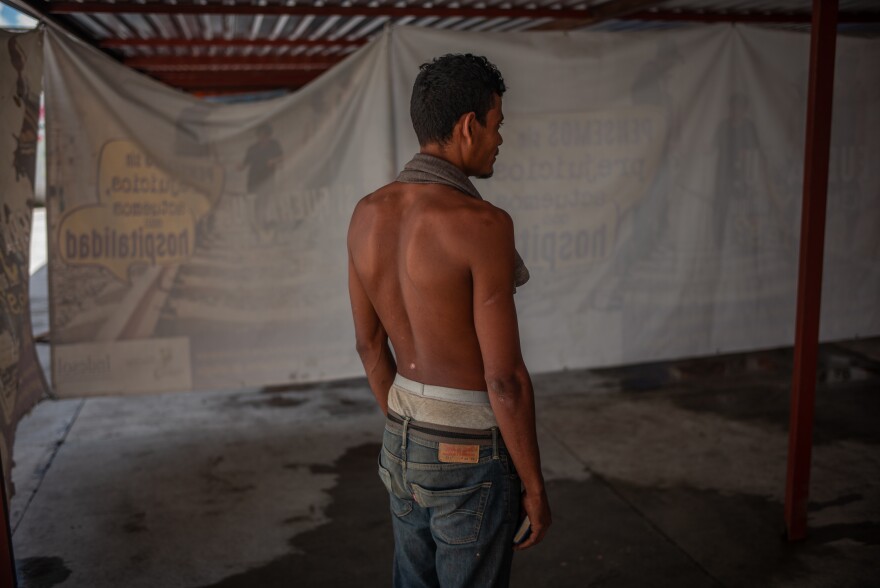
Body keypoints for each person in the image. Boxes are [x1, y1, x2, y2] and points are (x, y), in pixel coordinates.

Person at [347, 54, 551, 587]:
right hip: (469, 456)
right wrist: (534, 483)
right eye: (497, 124)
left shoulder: (366, 214)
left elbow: (370, 349)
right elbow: (504, 379)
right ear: (468, 125)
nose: (500, 139)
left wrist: (410, 432)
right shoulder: (482, 224)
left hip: (400, 442)